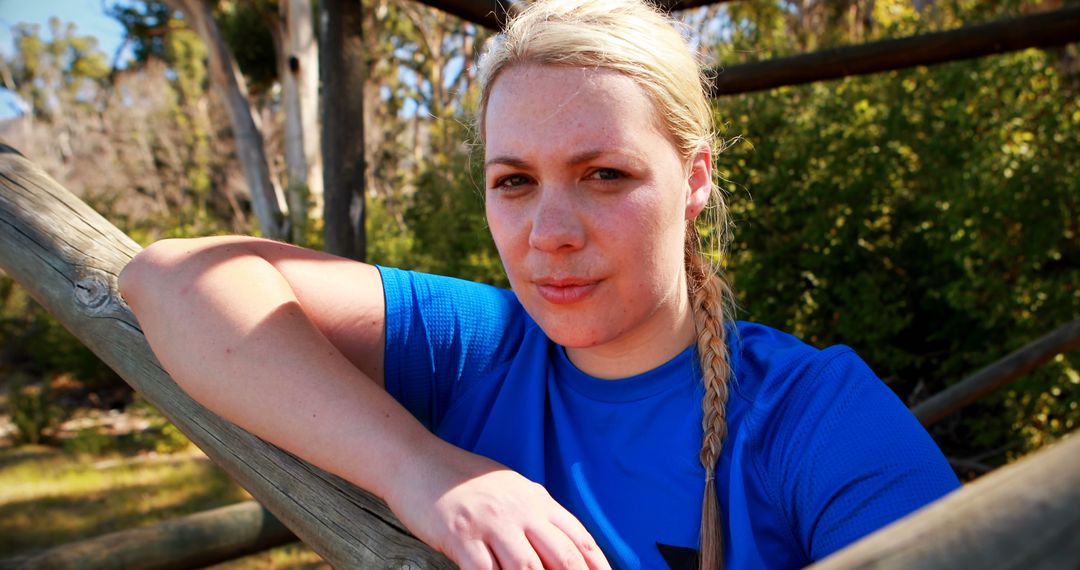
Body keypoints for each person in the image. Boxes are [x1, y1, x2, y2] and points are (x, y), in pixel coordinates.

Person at [118, 0, 960, 568]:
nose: (550, 234)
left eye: (603, 174)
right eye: (514, 181)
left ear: (694, 179)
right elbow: (172, 279)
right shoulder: (472, 350)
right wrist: (422, 470)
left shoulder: (814, 418)